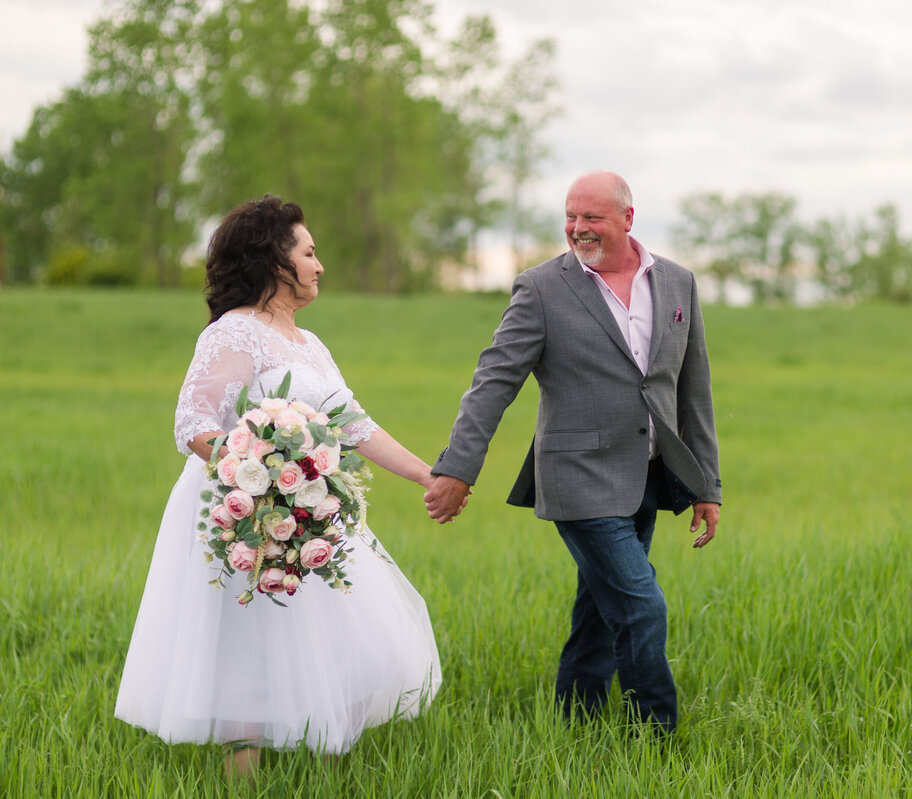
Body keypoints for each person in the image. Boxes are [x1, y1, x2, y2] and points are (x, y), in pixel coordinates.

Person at [115, 196, 443, 777]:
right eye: (309, 253)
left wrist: (428, 473)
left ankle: (311, 766)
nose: (320, 265)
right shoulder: (234, 333)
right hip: (239, 508)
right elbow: (193, 422)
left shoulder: (311, 344)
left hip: (306, 512)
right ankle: (242, 778)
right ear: (274, 261)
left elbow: (354, 425)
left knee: (327, 636)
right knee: (245, 644)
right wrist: (259, 477)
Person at [424, 170, 722, 733]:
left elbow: (693, 388)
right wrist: (458, 468)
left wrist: (706, 484)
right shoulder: (541, 289)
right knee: (641, 606)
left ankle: (575, 725)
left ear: (628, 219)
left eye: (592, 218)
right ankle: (654, 738)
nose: (578, 229)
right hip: (577, 479)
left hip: (648, 475)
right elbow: (494, 382)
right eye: (571, 217)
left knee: (598, 612)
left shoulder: (678, 283)